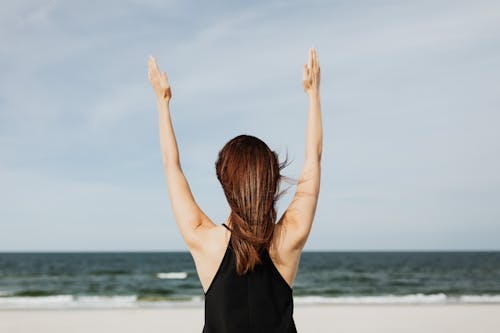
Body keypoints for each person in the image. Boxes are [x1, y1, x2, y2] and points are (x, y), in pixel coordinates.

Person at [148, 47, 322, 332]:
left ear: (224, 182)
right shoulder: (288, 239)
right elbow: (313, 159)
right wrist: (313, 95)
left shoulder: (205, 241)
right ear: (273, 179)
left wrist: (162, 103)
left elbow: (172, 166)